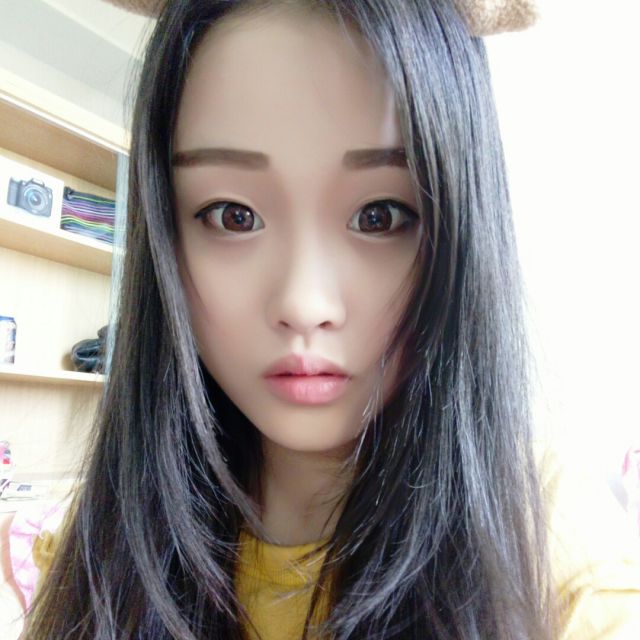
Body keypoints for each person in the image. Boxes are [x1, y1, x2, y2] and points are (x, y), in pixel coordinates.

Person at [22, 1, 640, 639]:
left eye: (379, 215)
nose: (304, 304)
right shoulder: (98, 552)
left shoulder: (554, 555)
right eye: (234, 215)